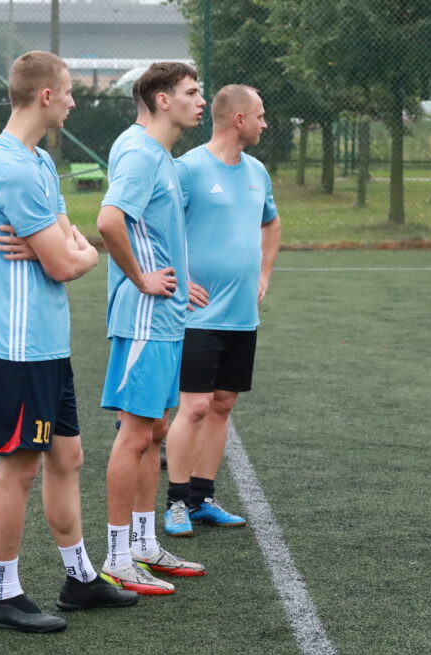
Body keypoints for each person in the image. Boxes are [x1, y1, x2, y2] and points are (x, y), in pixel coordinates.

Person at [0, 50, 137, 634]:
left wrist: (75, 251)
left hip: (47, 343)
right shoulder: (13, 169)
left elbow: (76, 245)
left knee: (67, 458)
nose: (72, 100)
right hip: (17, 347)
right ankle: (4, 595)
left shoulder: (40, 161)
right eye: (67, 91)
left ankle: (79, 579)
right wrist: (73, 254)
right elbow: (67, 262)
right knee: (18, 469)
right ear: (45, 95)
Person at [95, 62, 207, 596]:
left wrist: (181, 279)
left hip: (166, 316)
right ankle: (118, 557)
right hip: (145, 318)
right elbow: (109, 221)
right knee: (136, 435)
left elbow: (151, 231)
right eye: (191, 92)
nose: (200, 101)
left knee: (155, 432)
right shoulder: (141, 152)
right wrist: (142, 277)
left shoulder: (157, 153)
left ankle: (142, 544)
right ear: (163, 100)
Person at [163, 85, 281, 537]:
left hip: (242, 315)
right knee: (194, 406)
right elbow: (157, 227)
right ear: (239, 120)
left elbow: (271, 223)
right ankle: (176, 503)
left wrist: (264, 272)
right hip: (198, 315)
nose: (265, 124)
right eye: (260, 115)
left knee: (223, 405)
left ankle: (201, 499)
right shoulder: (188, 168)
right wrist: (177, 277)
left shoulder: (257, 172)